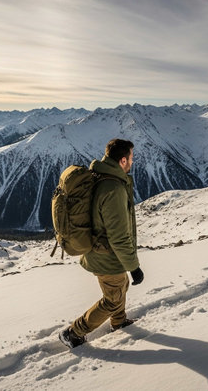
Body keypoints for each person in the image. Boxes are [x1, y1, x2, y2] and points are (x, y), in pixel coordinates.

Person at [59, 138, 144, 348]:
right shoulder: (113, 189)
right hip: (106, 255)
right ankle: (73, 333)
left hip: (100, 250)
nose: (133, 162)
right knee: (112, 298)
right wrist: (134, 267)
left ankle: (119, 321)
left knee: (120, 286)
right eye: (131, 158)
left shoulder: (99, 174)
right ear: (123, 160)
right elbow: (119, 236)